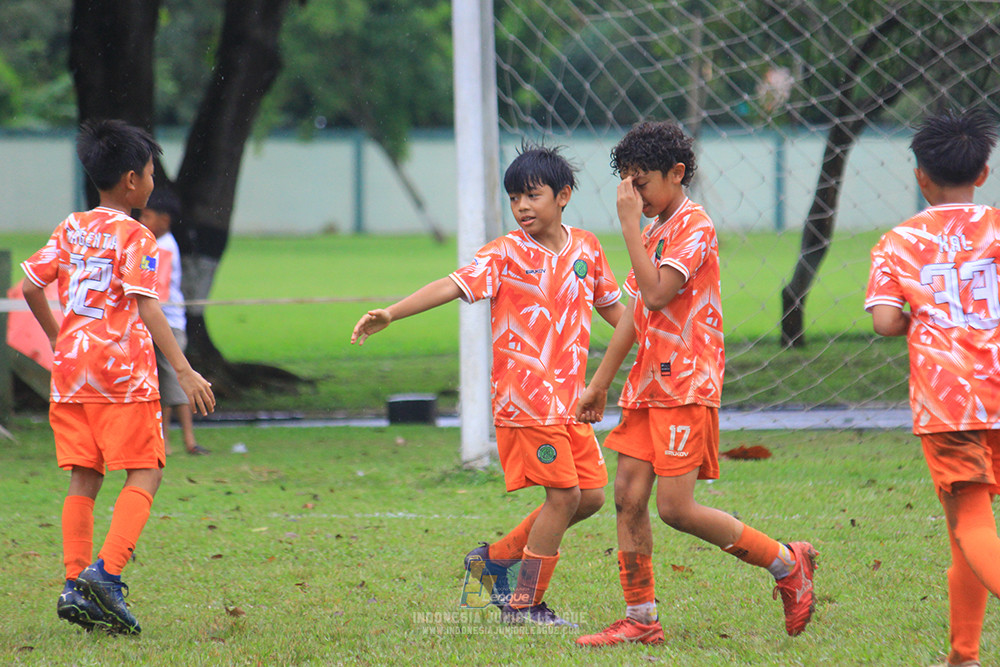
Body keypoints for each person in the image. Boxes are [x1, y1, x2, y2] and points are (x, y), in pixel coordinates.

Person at [351, 145, 625, 626]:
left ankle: (491, 561)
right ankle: (524, 604)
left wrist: (657, 342)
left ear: (562, 196)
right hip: (526, 402)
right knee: (564, 497)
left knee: (591, 497)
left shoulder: (588, 248)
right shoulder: (503, 254)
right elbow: (451, 284)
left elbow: (616, 313)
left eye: (532, 195)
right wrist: (391, 312)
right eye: (514, 197)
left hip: (571, 402)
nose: (521, 206)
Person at [574, 121, 817, 647]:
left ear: (676, 173)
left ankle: (787, 562)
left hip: (686, 384)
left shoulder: (694, 226)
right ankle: (641, 618)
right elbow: (635, 315)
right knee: (627, 496)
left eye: (641, 183)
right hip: (646, 386)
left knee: (676, 509)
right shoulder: (653, 230)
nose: (633, 195)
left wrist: (628, 226)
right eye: (627, 184)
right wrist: (599, 383)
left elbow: (658, 293)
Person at [20, 119, 215, 635]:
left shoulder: (71, 227)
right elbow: (147, 306)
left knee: (84, 476)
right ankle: (105, 576)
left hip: (71, 374)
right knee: (146, 470)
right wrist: (185, 370)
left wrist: (61, 338)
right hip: (121, 374)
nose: (152, 181)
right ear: (132, 180)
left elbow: (32, 286)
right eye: (150, 172)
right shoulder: (137, 234)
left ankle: (73, 585)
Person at [865, 108, 1000, 667]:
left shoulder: (898, 242)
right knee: (963, 535)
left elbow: (885, 322)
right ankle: (963, 656)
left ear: (920, 176)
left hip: (949, 403)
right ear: (984, 173)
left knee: (970, 521)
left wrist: (923, 315)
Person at [139, 188, 209, 456]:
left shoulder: (163, 247)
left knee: (175, 381)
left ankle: (183, 440)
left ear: (164, 220)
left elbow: (159, 291)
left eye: (147, 216)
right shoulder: (157, 244)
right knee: (167, 382)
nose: (142, 221)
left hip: (169, 324)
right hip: (161, 322)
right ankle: (171, 440)